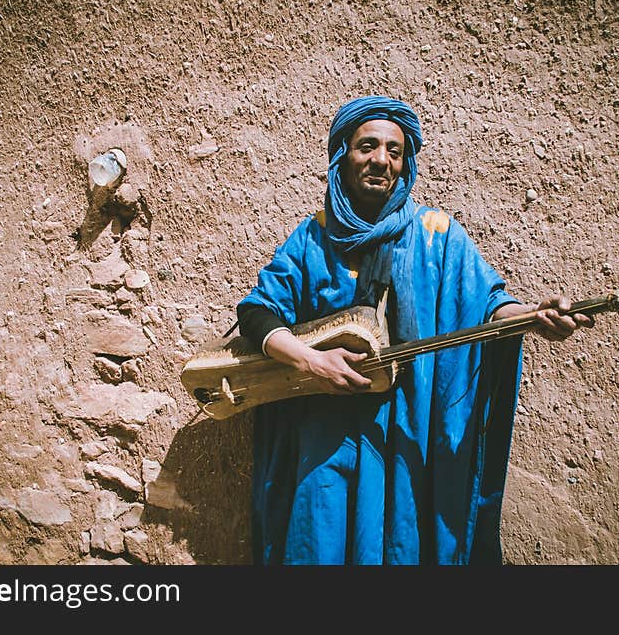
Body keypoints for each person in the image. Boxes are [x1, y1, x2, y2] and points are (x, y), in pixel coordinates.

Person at [236, 96, 594, 564]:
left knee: (401, 545)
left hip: (408, 434)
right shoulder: (313, 238)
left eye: (395, 151)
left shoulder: (438, 234)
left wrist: (532, 316)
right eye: (367, 146)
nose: (381, 160)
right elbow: (259, 313)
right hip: (326, 441)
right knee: (318, 544)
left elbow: (487, 305)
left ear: (405, 165)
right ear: (342, 155)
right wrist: (311, 360)